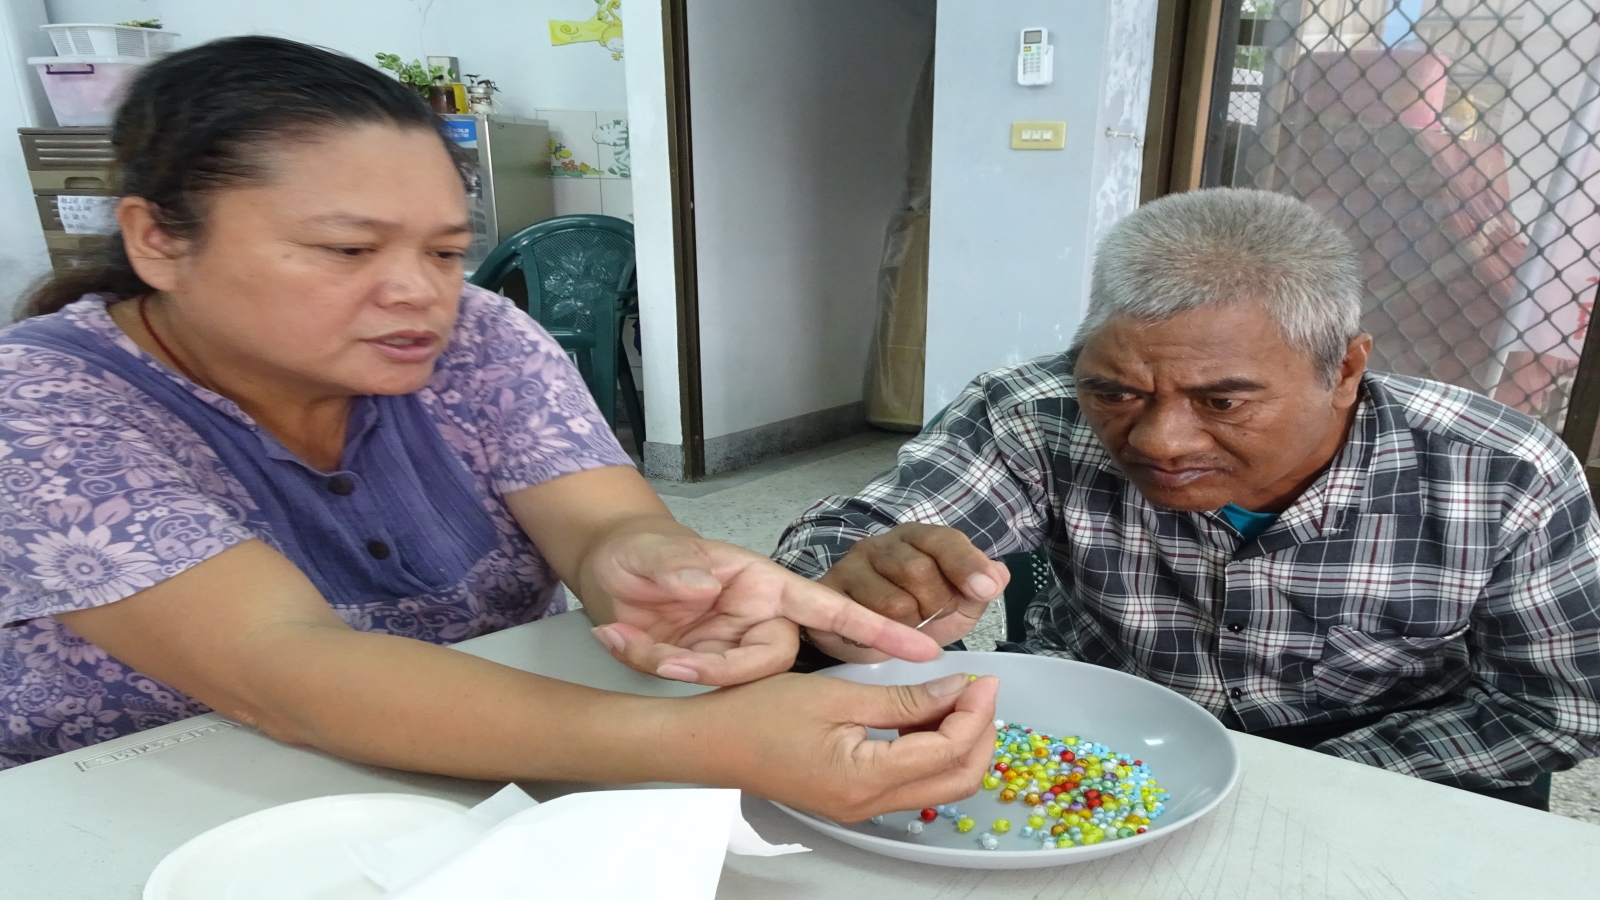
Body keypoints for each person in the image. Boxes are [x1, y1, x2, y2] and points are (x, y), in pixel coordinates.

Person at [0, 37, 999, 821]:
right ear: (157, 240)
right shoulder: (41, 402)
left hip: (492, 789)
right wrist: (708, 742)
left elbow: (601, 526)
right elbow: (280, 667)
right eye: (347, 248)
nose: (417, 293)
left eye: (444, 250)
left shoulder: (476, 337)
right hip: (152, 809)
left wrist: (656, 563)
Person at [777, 188, 1600, 809]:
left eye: (1223, 401)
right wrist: (846, 580)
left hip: (1384, 760)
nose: (1159, 442)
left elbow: (1554, 708)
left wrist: (1281, 786)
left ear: (1345, 370)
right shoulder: (1035, 413)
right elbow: (857, 533)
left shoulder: (1499, 475)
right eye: (1117, 393)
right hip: (1104, 734)